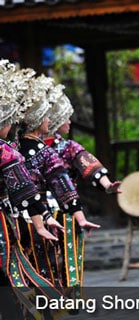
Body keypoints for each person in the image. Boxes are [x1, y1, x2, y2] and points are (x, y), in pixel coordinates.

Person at [16, 75, 102, 292]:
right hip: (43, 213)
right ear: (38, 121)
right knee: (46, 264)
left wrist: (105, 181)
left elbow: (87, 164)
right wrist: (79, 217)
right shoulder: (43, 153)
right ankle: (54, 302)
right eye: (46, 116)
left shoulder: (11, 149)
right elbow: (62, 185)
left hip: (18, 216)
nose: (49, 120)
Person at [0, 60, 62, 319]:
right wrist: (40, 223)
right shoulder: (5, 152)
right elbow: (23, 190)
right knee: (10, 279)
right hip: (2, 227)